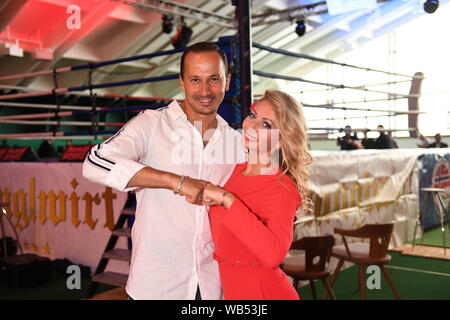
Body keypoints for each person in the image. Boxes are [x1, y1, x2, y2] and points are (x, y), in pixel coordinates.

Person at [82, 42, 246, 300]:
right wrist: (178, 182)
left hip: (213, 285)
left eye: (213, 79)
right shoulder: (151, 123)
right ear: (182, 82)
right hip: (156, 285)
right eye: (195, 80)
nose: (205, 90)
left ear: (227, 82)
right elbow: (95, 161)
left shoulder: (236, 143)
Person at [201, 89, 312, 300]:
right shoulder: (233, 171)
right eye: (253, 115)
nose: (250, 126)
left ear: (281, 141)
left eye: (266, 124)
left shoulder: (282, 187)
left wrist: (227, 199)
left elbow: (273, 255)